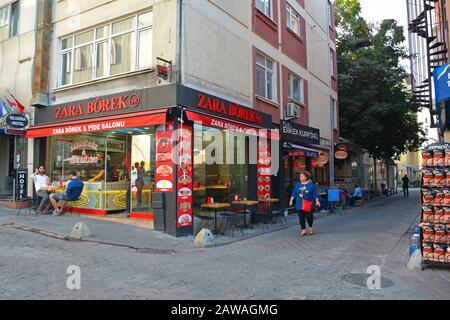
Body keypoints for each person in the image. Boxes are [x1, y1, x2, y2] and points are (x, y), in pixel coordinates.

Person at [289, 171, 321, 237]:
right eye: (300, 176)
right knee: (301, 218)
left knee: (309, 217)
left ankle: (310, 227)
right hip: (299, 204)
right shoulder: (297, 185)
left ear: (306, 177)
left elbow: (315, 194)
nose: (300, 177)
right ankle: (303, 230)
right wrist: (291, 200)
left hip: (308, 204)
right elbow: (294, 193)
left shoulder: (311, 185)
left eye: (302, 176)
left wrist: (317, 201)